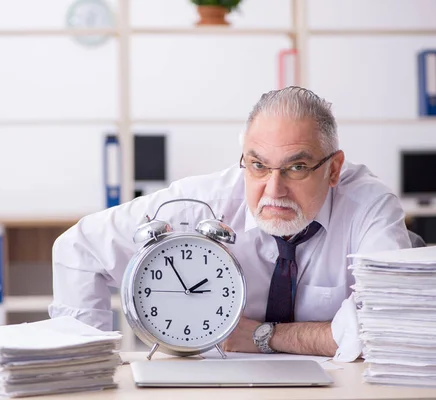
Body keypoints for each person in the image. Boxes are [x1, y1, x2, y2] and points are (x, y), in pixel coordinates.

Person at [49, 86, 412, 359]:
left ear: (333, 169)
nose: (274, 190)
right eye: (258, 166)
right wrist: (87, 368)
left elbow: (391, 323)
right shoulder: (207, 201)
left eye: (296, 168)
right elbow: (78, 248)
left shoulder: (369, 206)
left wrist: (263, 335)